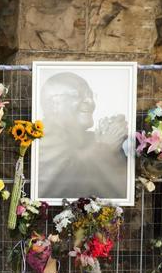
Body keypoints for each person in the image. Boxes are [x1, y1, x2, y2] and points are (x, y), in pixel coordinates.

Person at [36, 72, 129, 200]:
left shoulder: (88, 138)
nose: (90, 101)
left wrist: (113, 133)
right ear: (54, 104)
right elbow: (64, 180)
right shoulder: (45, 135)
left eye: (90, 95)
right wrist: (105, 147)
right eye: (77, 95)